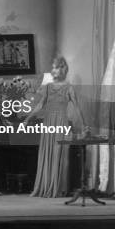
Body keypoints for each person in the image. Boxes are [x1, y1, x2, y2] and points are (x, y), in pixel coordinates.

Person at [25, 56, 85, 198]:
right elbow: (40, 105)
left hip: (61, 122)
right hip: (49, 122)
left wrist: (84, 125)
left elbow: (77, 108)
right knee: (47, 153)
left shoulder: (69, 88)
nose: (54, 70)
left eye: (57, 67)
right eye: (53, 67)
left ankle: (59, 187)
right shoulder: (47, 87)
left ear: (63, 69)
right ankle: (45, 185)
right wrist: (28, 118)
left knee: (60, 154)